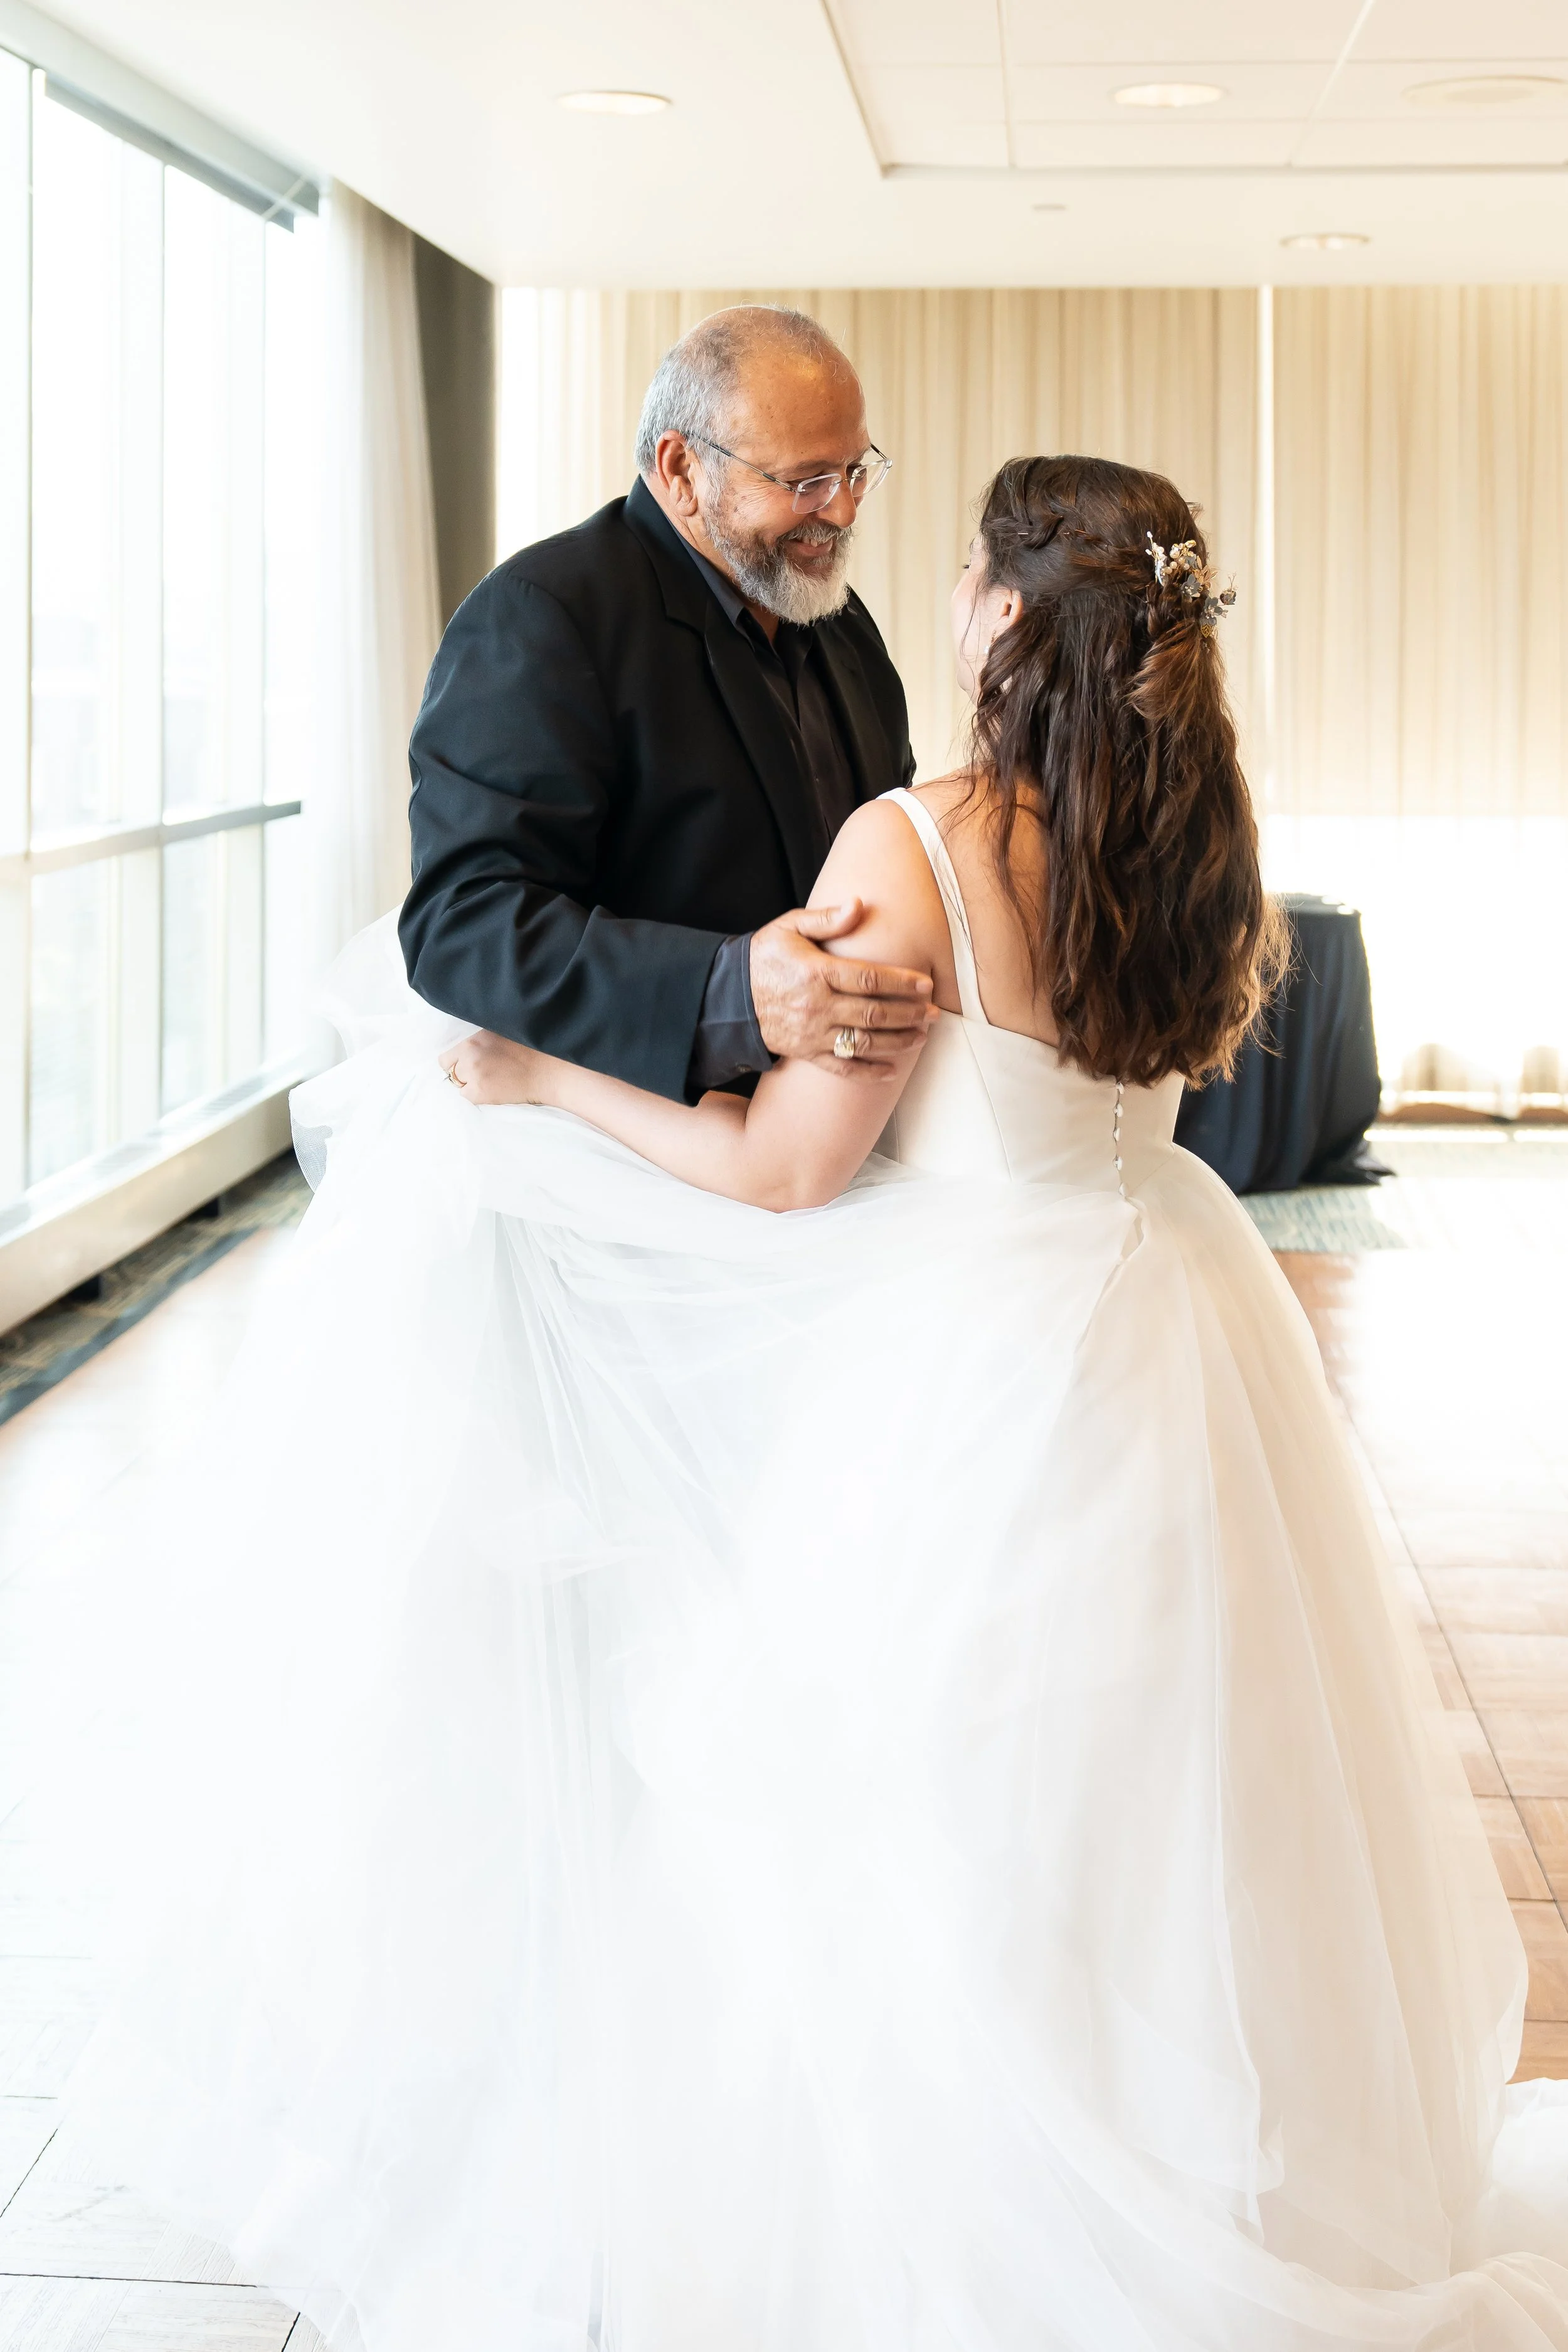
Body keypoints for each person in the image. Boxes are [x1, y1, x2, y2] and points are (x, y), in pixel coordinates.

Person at [65, 457, 1568, 2352]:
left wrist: (544, 1085)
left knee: (904, 1832)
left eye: (962, 570)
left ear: (1006, 620)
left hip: (979, 1388)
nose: (935, 591)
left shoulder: (912, 844)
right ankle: (1205, 2190)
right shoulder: (1199, 843)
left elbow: (783, 1172)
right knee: (1167, 1814)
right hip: (1174, 1334)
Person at [400, 302, 936, 1103]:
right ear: (682, 469)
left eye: (856, 471)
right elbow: (462, 926)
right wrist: (728, 992)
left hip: (825, 1142)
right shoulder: (542, 614)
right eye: (805, 481)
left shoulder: (844, 627)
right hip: (620, 1149)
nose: (844, 510)